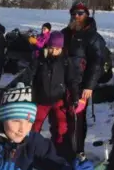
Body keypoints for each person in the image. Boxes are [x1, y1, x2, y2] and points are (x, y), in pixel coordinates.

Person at [62, 1, 106, 153]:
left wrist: (89, 85)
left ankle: (77, 152)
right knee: (62, 119)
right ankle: (63, 150)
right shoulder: (65, 33)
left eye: (80, 13)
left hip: (81, 86)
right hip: (62, 83)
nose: (76, 16)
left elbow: (97, 62)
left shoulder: (93, 37)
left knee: (77, 119)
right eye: (74, 14)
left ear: (87, 15)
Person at [28, 31, 80, 160]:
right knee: (34, 127)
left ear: (61, 48)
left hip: (58, 99)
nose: (53, 51)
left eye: (57, 49)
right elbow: (30, 75)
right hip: (41, 99)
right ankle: (31, 152)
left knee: (60, 127)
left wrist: (74, 96)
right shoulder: (40, 59)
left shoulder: (66, 62)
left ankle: (59, 153)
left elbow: (72, 80)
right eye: (51, 48)